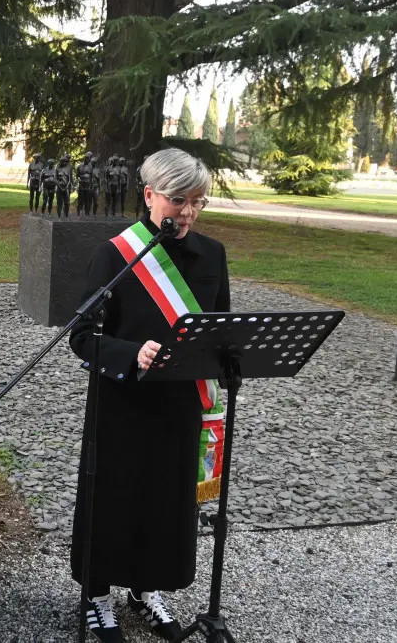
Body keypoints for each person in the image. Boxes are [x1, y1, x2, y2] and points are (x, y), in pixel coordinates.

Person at [69, 148, 228, 643]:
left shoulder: (212, 255)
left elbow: (219, 329)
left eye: (198, 202)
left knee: (167, 501)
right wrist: (130, 353)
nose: (187, 213)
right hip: (122, 403)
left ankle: (147, 586)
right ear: (149, 195)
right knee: (113, 498)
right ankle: (97, 594)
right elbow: (81, 337)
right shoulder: (114, 255)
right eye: (178, 200)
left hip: (180, 404)